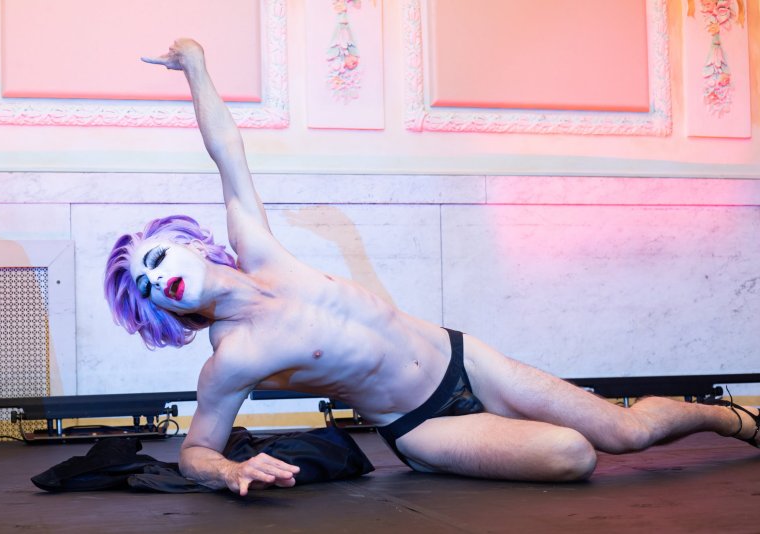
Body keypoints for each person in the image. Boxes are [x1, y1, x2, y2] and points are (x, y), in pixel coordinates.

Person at [105, 39, 759, 496]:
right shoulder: (234, 356)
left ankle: (731, 419)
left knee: (626, 430)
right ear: (162, 310)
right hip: (421, 425)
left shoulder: (260, 250)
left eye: (156, 259)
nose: (158, 278)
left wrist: (194, 63)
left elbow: (228, 152)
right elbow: (196, 450)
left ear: (185, 242)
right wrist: (226, 471)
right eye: (146, 287)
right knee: (574, 454)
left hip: (463, 357)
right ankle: (470, 452)